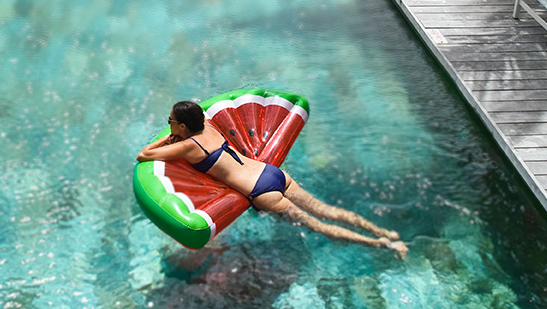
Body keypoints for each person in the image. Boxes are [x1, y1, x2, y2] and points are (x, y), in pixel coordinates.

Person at [137, 101, 408, 255]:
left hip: (261, 192)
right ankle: (385, 232)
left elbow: (144, 155)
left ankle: (381, 245)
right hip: (272, 172)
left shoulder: (188, 145)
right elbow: (202, 111)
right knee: (327, 211)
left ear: (183, 126)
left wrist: (167, 138)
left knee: (318, 227)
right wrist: (179, 128)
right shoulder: (207, 125)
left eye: (170, 120)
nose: (169, 123)